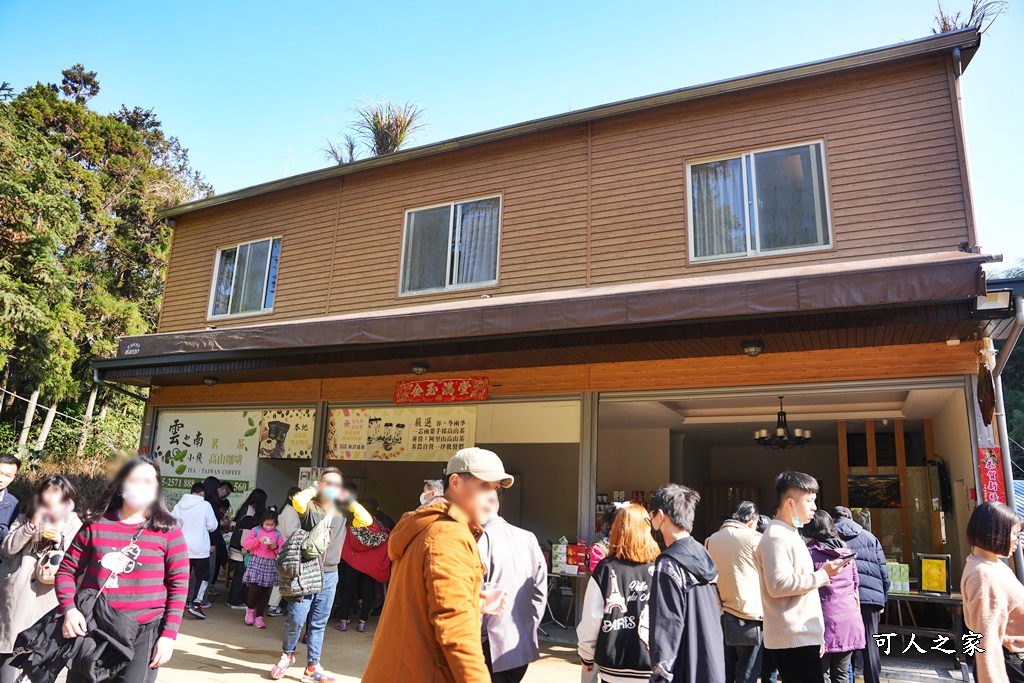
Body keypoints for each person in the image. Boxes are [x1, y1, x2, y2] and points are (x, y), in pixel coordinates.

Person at [362, 447, 513, 682]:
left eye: (496, 489)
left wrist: (472, 599)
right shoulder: (448, 534)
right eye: (485, 486)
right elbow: (456, 628)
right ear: (455, 482)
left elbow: (426, 600)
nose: (493, 497)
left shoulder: (428, 524)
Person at [55, 456, 189, 683]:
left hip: (144, 632)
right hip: (93, 628)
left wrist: (168, 636)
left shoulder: (168, 530)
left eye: (149, 481)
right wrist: (69, 609)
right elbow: (67, 570)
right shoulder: (95, 524)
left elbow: (179, 585)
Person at [271, 468, 371, 682]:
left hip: (331, 573)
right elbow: (297, 501)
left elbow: (366, 520)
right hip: (307, 571)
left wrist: (349, 500)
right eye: (330, 484)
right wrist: (314, 488)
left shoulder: (344, 511)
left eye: (338, 485)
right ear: (322, 484)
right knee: (296, 617)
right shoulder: (310, 507)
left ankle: (312, 666)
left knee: (318, 622)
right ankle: (286, 655)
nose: (334, 489)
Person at [755, 472, 843, 683]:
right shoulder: (776, 536)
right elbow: (778, 585)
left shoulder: (789, 533)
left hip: (800, 635)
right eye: (809, 500)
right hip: (792, 637)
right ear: (790, 503)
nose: (814, 507)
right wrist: (823, 574)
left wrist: (815, 634)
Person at [0, 475, 82, 683]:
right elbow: (8, 548)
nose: (51, 498)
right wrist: (30, 526)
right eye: (47, 492)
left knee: (40, 650)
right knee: (8, 648)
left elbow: (79, 558)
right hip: (19, 592)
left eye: (56, 494)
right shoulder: (26, 515)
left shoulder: (73, 521)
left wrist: (60, 541)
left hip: (50, 595)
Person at [647, 484, 725, 683]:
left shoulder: (669, 562)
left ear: (661, 515)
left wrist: (661, 676)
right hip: (710, 661)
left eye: (651, 514)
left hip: (685, 667)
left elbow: (667, 627)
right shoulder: (702, 551)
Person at [577, 503, 659, 682]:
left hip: (613, 669)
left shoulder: (605, 570)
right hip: (651, 667)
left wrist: (587, 656)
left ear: (617, 530)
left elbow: (591, 620)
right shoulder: (659, 570)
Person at [479, 498, 546, 683]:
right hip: (520, 640)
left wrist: (479, 637)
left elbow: (475, 590)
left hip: (489, 643)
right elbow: (539, 593)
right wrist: (530, 626)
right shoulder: (528, 537)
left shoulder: (479, 539)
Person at [961, 501, 1024, 683]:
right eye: (1015, 534)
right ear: (997, 533)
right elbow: (987, 639)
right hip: (1009, 664)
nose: (1017, 541)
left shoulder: (994, 564)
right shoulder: (983, 575)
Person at [705, 501, 764, 683]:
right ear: (752, 520)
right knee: (748, 670)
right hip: (751, 613)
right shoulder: (754, 538)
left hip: (722, 612)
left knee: (727, 667)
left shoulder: (711, 540)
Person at [801, 511, 863, 683]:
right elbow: (855, 586)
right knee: (842, 674)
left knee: (822, 673)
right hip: (849, 620)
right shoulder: (847, 553)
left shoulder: (809, 554)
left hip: (822, 620)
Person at [831, 506, 888, 683]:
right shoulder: (870, 537)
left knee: (847, 645)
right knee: (871, 644)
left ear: (833, 519)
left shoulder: (832, 538)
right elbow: (883, 572)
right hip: (872, 600)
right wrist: (882, 599)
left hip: (846, 599)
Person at [336, 511, 391, 633]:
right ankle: (362, 623)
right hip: (370, 566)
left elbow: (345, 544)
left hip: (353, 562)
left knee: (348, 590)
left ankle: (343, 621)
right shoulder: (382, 530)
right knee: (368, 593)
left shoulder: (354, 527)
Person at [171, 481, 218, 619]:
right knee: (203, 576)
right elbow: (212, 526)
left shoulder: (179, 505)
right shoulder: (205, 505)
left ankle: (179, 603)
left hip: (182, 546)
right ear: (202, 493)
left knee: (181, 576)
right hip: (199, 548)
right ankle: (196, 604)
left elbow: (172, 523)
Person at [242, 508, 283, 629]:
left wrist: (276, 547)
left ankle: (259, 616)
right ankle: (250, 610)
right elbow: (246, 544)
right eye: (267, 524)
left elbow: (282, 549)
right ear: (262, 522)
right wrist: (257, 540)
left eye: (272, 524)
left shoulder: (277, 534)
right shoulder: (256, 530)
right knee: (254, 588)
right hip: (256, 561)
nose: (269, 527)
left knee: (265, 591)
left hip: (270, 563)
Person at [228, 488, 268, 608]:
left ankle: (232, 600)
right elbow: (245, 531)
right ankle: (236, 602)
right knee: (242, 576)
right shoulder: (250, 511)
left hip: (238, 547)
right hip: (241, 549)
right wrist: (245, 548)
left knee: (238, 575)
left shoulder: (246, 508)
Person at [266, 486, 302, 618]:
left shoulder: (285, 510)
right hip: (287, 549)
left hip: (281, 549)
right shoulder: (291, 511)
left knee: (281, 579)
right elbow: (291, 532)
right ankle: (274, 606)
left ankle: (274, 605)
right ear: (291, 497)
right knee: (283, 580)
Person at [0, 453, 20, 552]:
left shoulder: (12, 503)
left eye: (7, 475)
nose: (1, 479)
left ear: (13, 478)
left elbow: (9, 538)